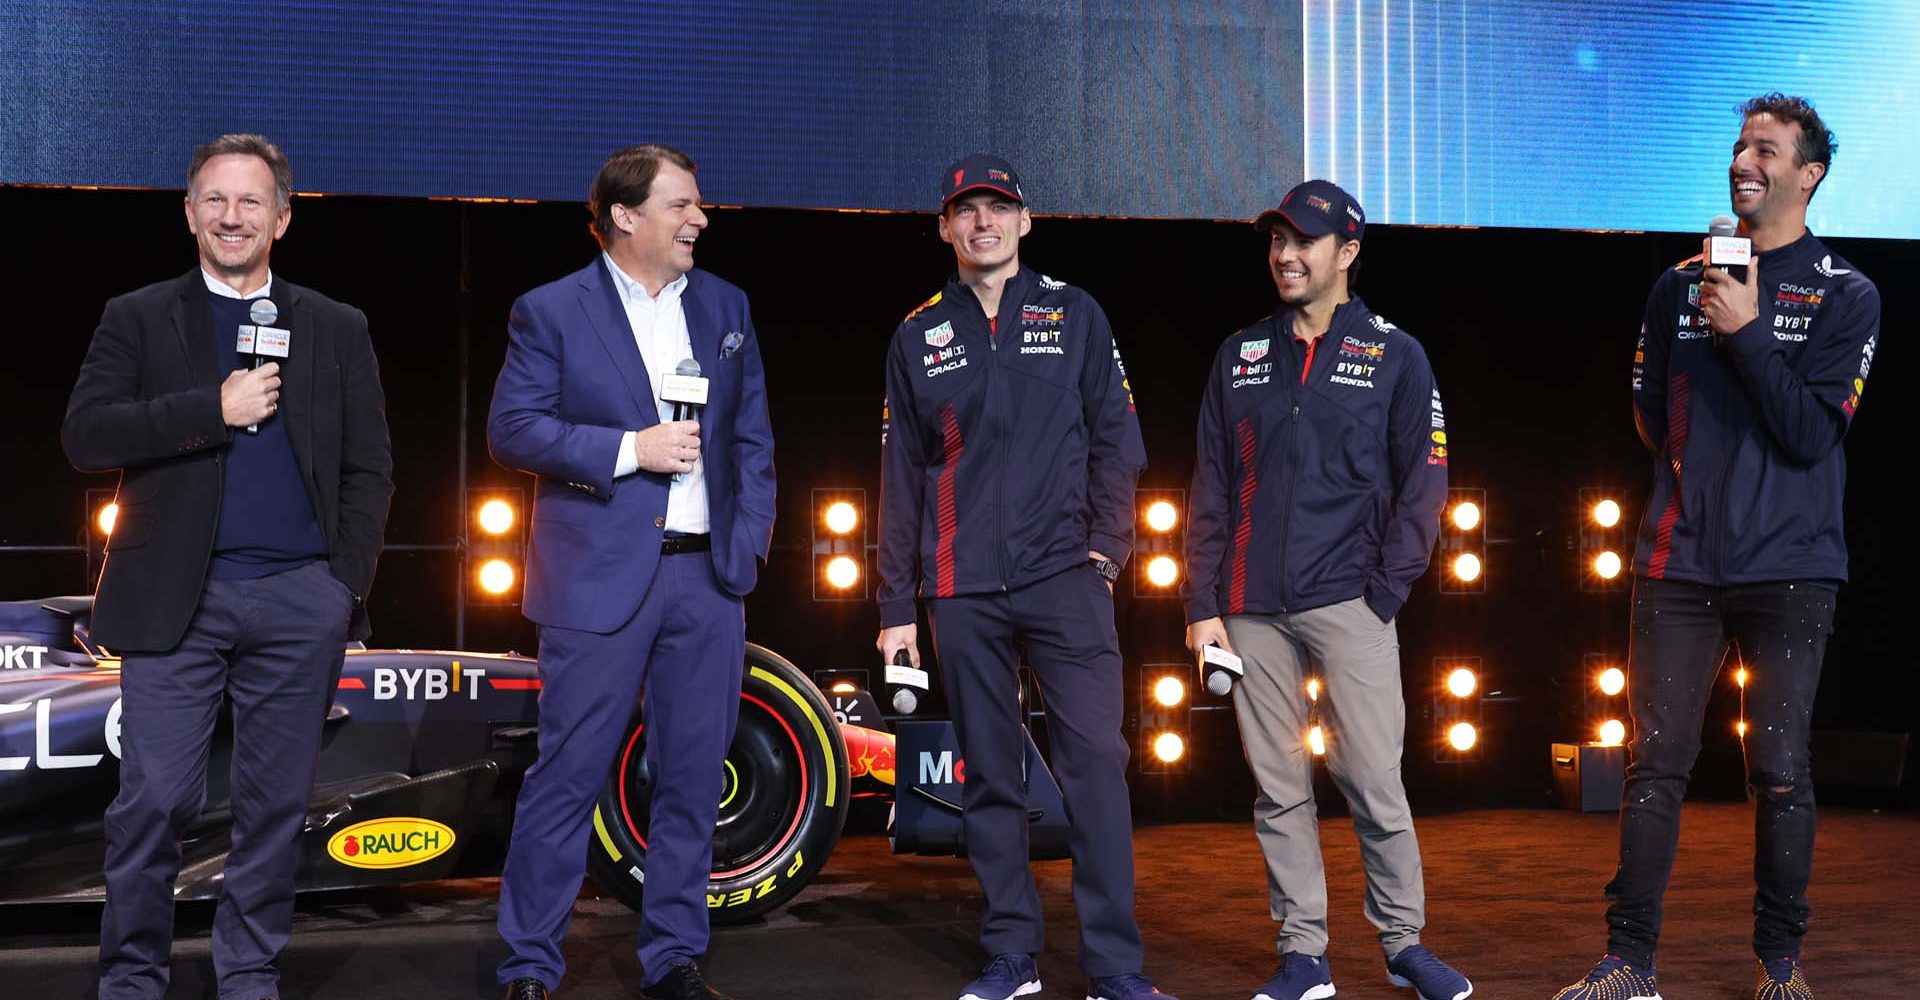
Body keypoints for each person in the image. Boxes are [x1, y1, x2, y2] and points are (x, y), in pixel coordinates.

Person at [1551, 93, 1879, 1000]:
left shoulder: (1847, 295)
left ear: (1808, 174)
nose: (1746, 161)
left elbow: (1813, 434)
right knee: (1654, 765)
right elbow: (1652, 416)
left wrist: (1746, 333)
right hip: (1679, 565)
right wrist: (1698, 484)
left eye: (1767, 150)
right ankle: (1629, 964)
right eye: (1740, 146)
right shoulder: (1676, 287)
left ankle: (1780, 966)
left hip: (1793, 568)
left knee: (1778, 770)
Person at [63, 133, 394, 1000]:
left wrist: (341, 585)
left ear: (282, 218)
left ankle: (249, 976)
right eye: (214, 199)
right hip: (179, 597)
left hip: (299, 598)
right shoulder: (137, 315)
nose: (231, 216)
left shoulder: (336, 325)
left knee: (275, 810)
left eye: (251, 201)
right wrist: (209, 409)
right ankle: (132, 978)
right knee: (157, 803)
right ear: (188, 213)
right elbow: (86, 435)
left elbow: (370, 468)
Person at [874, 154, 1171, 1000]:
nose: (983, 223)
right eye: (965, 210)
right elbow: (900, 476)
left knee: (1095, 769)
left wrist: (1105, 552)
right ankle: (1012, 953)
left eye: (998, 207)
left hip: (1065, 582)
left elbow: (1120, 441)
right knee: (991, 776)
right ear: (944, 227)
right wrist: (898, 604)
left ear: (1025, 220)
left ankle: (1115, 964)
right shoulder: (916, 332)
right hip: (960, 588)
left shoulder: (1075, 313)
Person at [488, 144, 775, 1000]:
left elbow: (753, 439)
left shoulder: (726, 305)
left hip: (706, 581)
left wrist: (748, 540)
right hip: (596, 582)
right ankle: (531, 967)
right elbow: (514, 430)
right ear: (625, 216)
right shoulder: (550, 310)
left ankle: (674, 958)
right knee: (568, 777)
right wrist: (629, 451)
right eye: (683, 205)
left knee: (692, 776)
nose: (701, 218)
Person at [1182, 180, 1471, 1000]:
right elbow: (1208, 487)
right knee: (1278, 786)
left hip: (1350, 601)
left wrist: (1384, 592)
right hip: (1247, 609)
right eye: (1277, 240)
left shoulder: (1396, 353)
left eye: (1303, 241)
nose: (1284, 254)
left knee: (1374, 778)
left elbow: (1427, 483)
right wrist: (1202, 607)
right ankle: (1303, 954)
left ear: (1346, 253)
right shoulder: (1238, 353)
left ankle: (1404, 944)